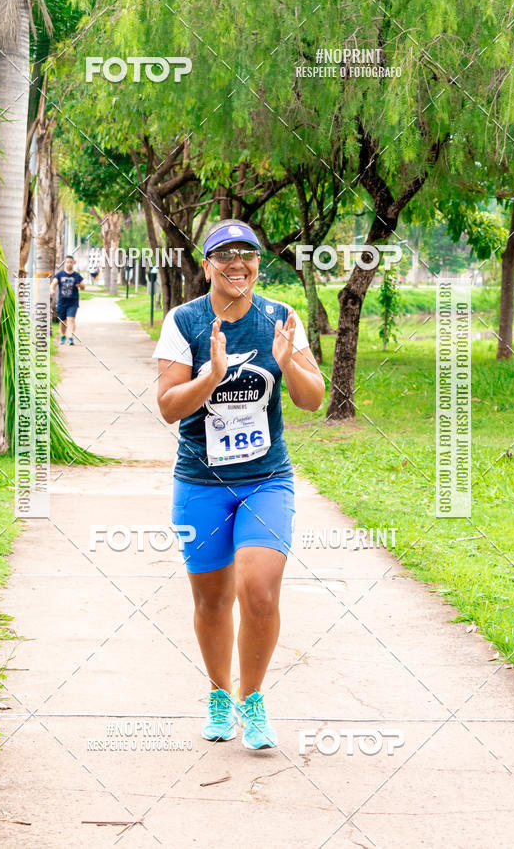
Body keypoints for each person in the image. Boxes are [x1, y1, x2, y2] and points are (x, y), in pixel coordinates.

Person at [154, 219, 324, 750]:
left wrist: (284, 364)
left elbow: (312, 398)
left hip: (266, 479)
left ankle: (252, 700)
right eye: (224, 254)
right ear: (207, 265)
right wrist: (210, 375)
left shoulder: (281, 317)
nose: (237, 264)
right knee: (211, 600)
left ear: (257, 263)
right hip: (200, 482)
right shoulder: (184, 321)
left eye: (246, 254)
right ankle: (218, 695)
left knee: (259, 592)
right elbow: (167, 407)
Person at [50, 256, 84, 346]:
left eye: (71, 262)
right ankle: (63, 335)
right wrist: (52, 290)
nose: (69, 264)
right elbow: (53, 284)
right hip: (62, 302)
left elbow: (83, 287)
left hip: (73, 302)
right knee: (62, 321)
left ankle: (70, 338)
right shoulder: (60, 274)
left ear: (73, 263)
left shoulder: (77, 275)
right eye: (67, 262)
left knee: (71, 319)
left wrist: (80, 285)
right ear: (64, 263)